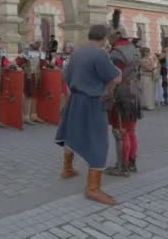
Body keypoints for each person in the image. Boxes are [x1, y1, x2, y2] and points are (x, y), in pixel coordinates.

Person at [55, 24, 122, 205]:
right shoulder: (99, 53)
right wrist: (115, 79)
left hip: (76, 99)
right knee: (99, 142)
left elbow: (66, 77)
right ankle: (92, 188)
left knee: (72, 133)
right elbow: (114, 77)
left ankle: (67, 168)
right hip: (92, 101)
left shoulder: (77, 53)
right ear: (105, 38)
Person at [104, 10, 142, 177]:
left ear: (116, 35)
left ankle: (122, 166)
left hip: (121, 93)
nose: (107, 37)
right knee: (131, 130)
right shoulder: (134, 49)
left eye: (109, 34)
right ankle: (132, 162)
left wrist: (107, 94)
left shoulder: (115, 53)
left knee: (120, 131)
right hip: (134, 90)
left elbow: (113, 77)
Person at [16, 40, 47, 124]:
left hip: (37, 77)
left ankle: (33, 115)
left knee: (35, 95)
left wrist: (50, 65)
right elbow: (17, 62)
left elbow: (43, 64)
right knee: (28, 95)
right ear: (32, 43)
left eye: (40, 43)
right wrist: (15, 66)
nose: (38, 44)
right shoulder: (26, 52)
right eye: (37, 42)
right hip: (28, 76)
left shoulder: (41, 53)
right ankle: (25, 116)